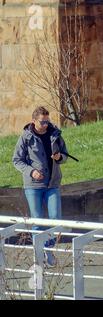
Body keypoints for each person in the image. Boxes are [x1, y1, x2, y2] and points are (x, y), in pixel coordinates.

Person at [12, 106, 69, 267]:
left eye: (47, 121)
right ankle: (40, 254)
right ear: (34, 121)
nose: (45, 124)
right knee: (37, 220)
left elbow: (65, 155)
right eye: (42, 122)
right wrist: (31, 172)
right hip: (33, 186)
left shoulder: (55, 134)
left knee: (56, 220)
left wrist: (59, 157)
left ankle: (48, 248)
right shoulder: (26, 137)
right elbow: (17, 160)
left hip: (53, 183)